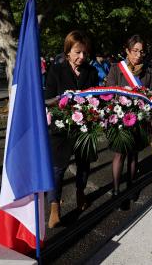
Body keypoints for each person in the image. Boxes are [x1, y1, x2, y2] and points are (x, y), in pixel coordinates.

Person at [45, 30, 99, 228]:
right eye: (77, 52)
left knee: (84, 165)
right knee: (57, 169)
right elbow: (47, 99)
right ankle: (54, 206)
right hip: (61, 128)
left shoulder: (91, 72)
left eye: (84, 53)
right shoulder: (56, 70)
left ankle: (80, 192)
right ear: (67, 51)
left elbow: (97, 97)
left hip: (84, 128)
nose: (82, 57)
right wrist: (62, 100)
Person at [106, 34, 152, 209]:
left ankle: (131, 187)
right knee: (120, 154)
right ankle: (117, 191)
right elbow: (109, 92)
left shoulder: (147, 72)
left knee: (134, 155)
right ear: (127, 50)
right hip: (120, 119)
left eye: (142, 51)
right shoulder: (116, 69)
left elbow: (150, 95)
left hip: (138, 120)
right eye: (135, 51)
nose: (139, 55)